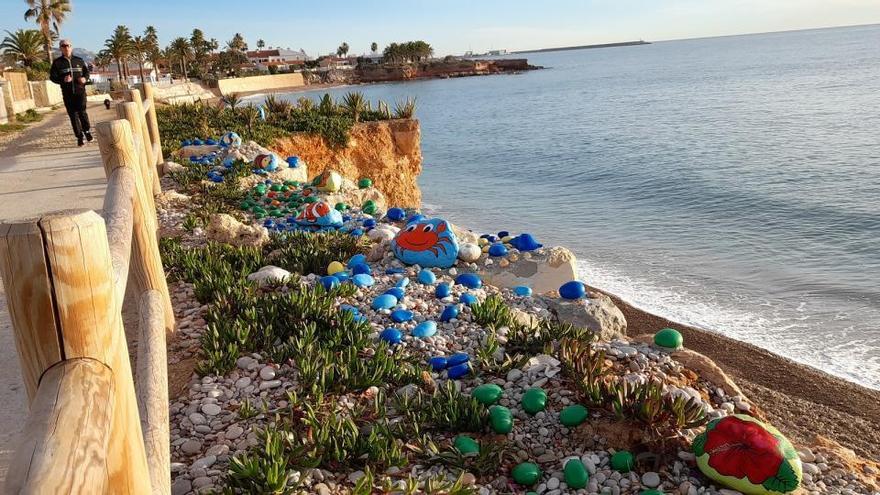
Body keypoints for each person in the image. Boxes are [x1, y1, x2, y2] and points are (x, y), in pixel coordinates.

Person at [50, 39, 92, 146]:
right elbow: (52, 77)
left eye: (68, 46)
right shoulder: (57, 63)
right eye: (63, 46)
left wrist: (84, 79)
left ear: (71, 47)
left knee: (82, 112)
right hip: (68, 94)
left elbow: (86, 72)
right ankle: (79, 137)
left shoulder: (79, 60)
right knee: (73, 115)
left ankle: (87, 131)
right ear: (60, 48)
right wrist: (63, 80)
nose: (66, 48)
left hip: (80, 92)